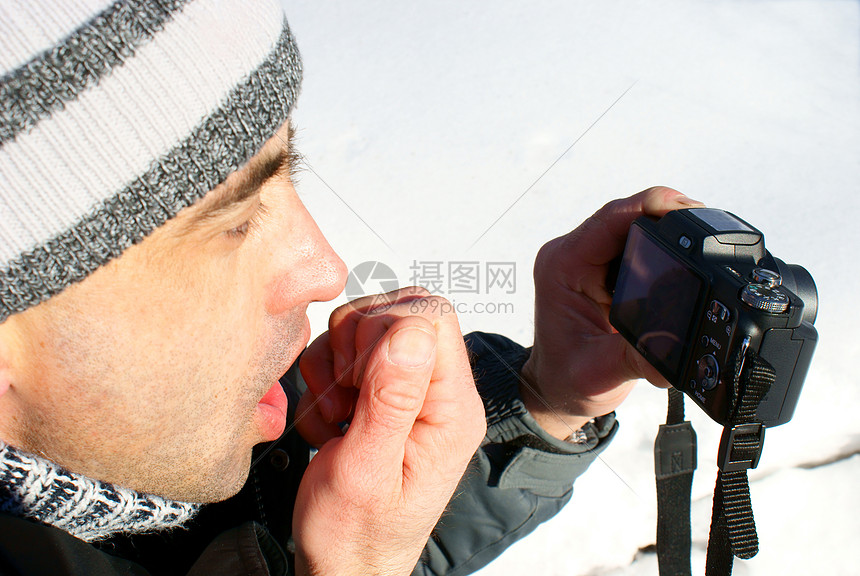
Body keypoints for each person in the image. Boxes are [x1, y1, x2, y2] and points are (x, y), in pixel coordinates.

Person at [0, 1, 703, 574]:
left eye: (288, 169)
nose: (326, 267)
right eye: (237, 221)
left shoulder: (128, 483)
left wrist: (544, 400)